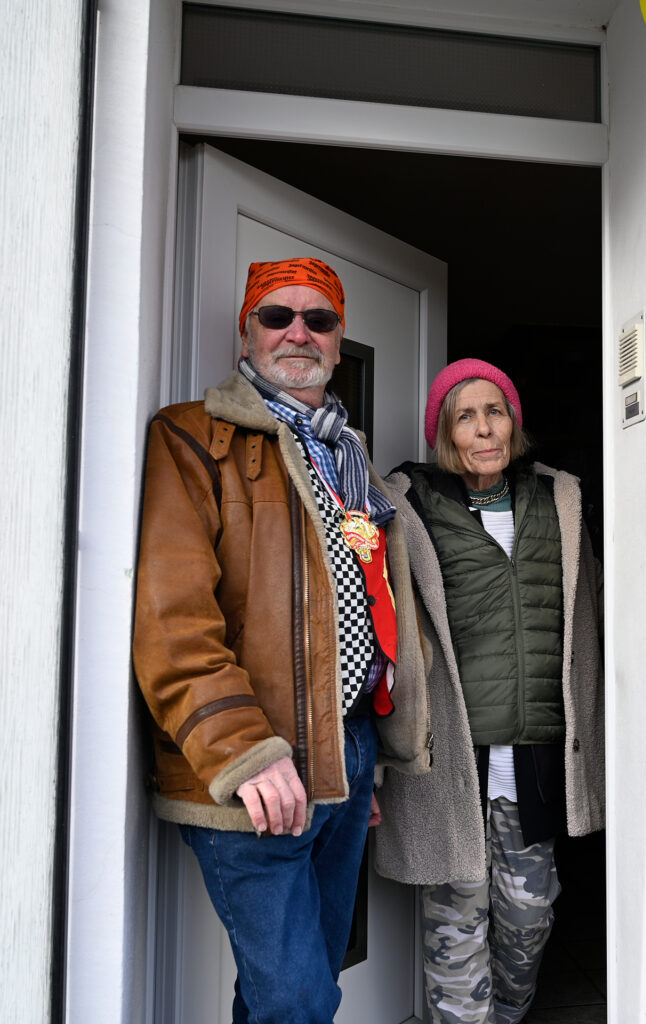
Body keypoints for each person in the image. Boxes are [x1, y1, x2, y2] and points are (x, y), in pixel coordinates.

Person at [132, 257, 431, 1024]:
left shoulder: (349, 453)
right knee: (295, 1000)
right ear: (248, 330)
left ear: (337, 343)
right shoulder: (194, 435)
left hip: (349, 757)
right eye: (277, 315)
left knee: (301, 988)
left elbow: (371, 603)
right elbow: (172, 619)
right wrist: (246, 750)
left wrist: (362, 756)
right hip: (256, 767)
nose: (298, 332)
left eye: (319, 320)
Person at [374, 358, 605, 1024]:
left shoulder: (555, 499)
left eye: (495, 411)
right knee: (455, 929)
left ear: (513, 422)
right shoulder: (410, 505)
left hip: (530, 758)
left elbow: (584, 618)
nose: (483, 429)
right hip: (451, 761)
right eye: (464, 415)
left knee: (529, 916)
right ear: (444, 432)